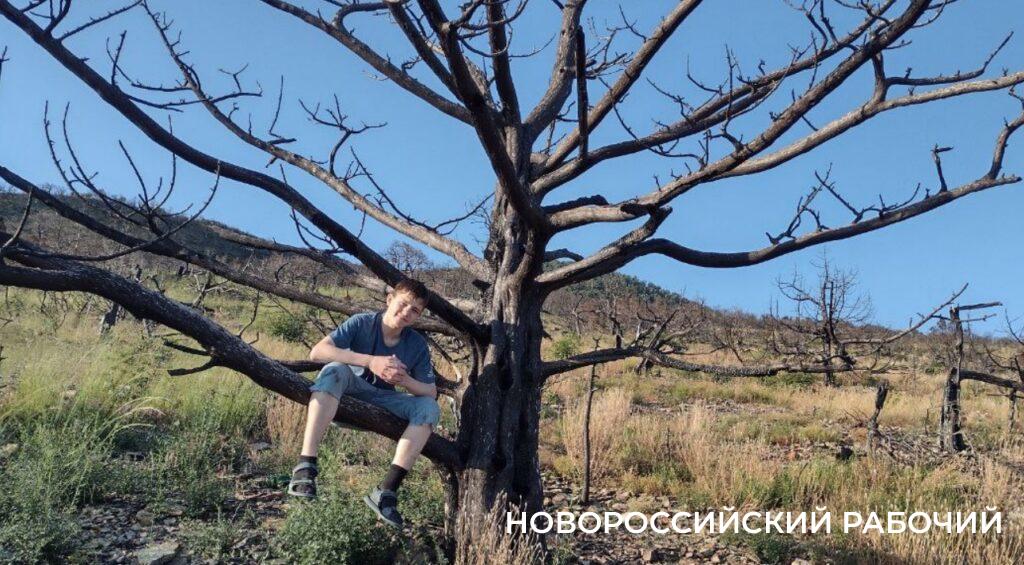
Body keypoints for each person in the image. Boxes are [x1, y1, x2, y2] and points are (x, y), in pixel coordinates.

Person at [287, 278, 439, 529]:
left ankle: (386, 492)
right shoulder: (362, 322)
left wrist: (404, 379)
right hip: (350, 390)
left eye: (414, 310)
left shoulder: (416, 344)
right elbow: (318, 352)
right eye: (403, 304)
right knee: (334, 369)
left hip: (386, 399)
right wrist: (370, 361)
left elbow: (430, 391)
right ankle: (305, 466)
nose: (406, 313)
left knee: (428, 408)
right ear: (389, 299)